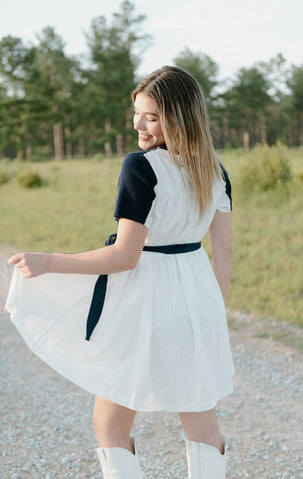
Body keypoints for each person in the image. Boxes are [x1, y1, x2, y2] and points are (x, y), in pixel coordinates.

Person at [6, 65, 234, 479]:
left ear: (178, 118)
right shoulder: (215, 171)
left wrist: (48, 261)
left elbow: (125, 257)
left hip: (144, 300)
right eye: (137, 113)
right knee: (202, 426)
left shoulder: (141, 167)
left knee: (110, 425)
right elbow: (224, 249)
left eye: (150, 116)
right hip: (198, 297)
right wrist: (211, 311)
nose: (137, 124)